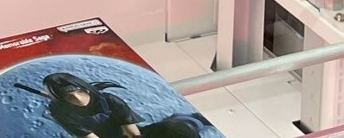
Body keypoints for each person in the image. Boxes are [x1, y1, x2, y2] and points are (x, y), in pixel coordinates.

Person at [17, 70, 210, 138]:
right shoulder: (59, 111)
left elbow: (132, 132)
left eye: (79, 92)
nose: (78, 99)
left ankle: (191, 120)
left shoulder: (109, 100)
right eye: (69, 97)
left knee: (177, 128)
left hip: (131, 135)